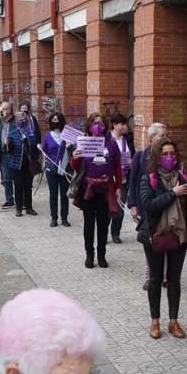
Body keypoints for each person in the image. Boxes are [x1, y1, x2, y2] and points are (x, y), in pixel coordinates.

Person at [138, 136, 187, 340]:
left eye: (172, 153)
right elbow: (148, 206)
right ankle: (155, 321)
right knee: (155, 280)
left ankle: (173, 321)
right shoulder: (149, 179)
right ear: (157, 156)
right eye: (164, 154)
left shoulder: (184, 178)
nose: (169, 157)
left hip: (178, 236)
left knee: (174, 280)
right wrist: (172, 193)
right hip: (155, 236)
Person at [70, 112, 122, 269]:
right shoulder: (84, 143)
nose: (98, 126)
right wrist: (75, 158)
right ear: (89, 126)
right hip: (88, 190)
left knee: (103, 224)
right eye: (94, 123)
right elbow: (76, 167)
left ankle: (101, 255)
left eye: (100, 123)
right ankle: (89, 255)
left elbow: (117, 167)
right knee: (89, 224)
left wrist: (118, 186)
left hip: (105, 190)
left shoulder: (111, 144)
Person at [128, 122, 167, 292]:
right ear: (152, 138)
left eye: (166, 135)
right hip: (147, 207)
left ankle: (164, 276)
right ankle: (149, 277)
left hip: (165, 205)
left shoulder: (168, 156)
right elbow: (133, 181)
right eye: (162, 135)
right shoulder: (140, 156)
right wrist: (133, 204)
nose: (165, 138)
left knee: (166, 240)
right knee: (149, 242)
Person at [3, 102, 39, 217]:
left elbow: (33, 147)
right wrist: (7, 144)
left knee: (28, 186)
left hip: (28, 164)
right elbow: (8, 150)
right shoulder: (12, 133)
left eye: (24, 119)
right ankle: (18, 209)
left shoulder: (31, 133)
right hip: (16, 164)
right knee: (18, 186)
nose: (22, 120)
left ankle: (29, 207)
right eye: (20, 119)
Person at [41, 112, 72, 228]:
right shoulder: (48, 136)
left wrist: (70, 147)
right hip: (52, 169)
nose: (55, 122)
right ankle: (54, 218)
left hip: (64, 169)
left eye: (57, 119)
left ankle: (64, 218)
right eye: (53, 119)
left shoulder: (67, 136)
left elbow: (73, 153)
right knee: (53, 194)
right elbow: (44, 152)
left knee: (64, 195)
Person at [108, 114, 132, 244]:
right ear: (115, 125)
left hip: (123, 179)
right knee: (107, 208)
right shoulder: (106, 139)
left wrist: (130, 161)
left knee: (120, 208)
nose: (124, 127)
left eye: (125, 124)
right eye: (122, 124)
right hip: (109, 180)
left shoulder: (126, 139)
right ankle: (103, 232)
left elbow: (130, 154)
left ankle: (115, 233)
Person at [0, 102, 18, 209]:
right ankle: (9, 199)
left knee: (16, 178)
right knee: (6, 179)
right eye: (1, 109)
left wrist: (10, 142)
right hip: (2, 153)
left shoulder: (15, 122)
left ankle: (19, 199)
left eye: (6, 109)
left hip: (13, 153)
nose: (3, 111)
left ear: (11, 110)